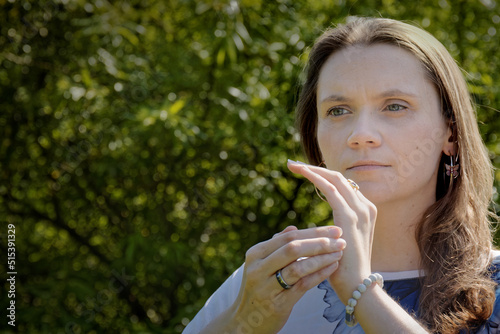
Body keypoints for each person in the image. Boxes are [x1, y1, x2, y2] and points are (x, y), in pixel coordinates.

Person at [183, 17, 500, 333]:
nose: (361, 134)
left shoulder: (494, 284)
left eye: (395, 106)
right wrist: (241, 323)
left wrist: (361, 291)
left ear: (451, 133)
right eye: (338, 111)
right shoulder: (270, 280)